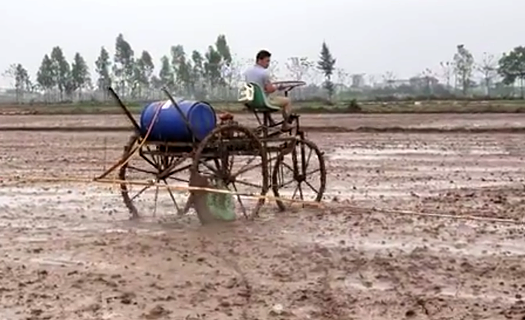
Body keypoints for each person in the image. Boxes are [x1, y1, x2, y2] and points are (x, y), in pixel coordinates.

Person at [243, 50, 292, 130]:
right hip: (263, 101)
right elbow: (270, 89)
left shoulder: (247, 72)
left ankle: (270, 121)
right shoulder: (264, 73)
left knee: (270, 96)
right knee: (287, 101)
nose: (268, 64)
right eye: (267, 61)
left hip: (252, 100)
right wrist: (278, 87)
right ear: (259, 60)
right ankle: (286, 124)